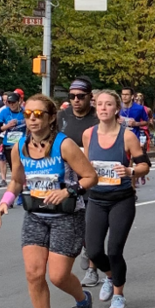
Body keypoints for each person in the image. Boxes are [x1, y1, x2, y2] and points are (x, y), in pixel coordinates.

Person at [0, 94, 98, 308]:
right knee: (33, 273)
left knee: (58, 276)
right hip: (35, 215)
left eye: (38, 114)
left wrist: (68, 191)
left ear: (51, 118)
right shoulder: (20, 146)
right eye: (28, 114)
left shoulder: (64, 145)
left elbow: (90, 177)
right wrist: (5, 202)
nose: (31, 119)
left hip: (66, 216)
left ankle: (82, 299)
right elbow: (17, 181)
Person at [82, 90, 150, 308]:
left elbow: (144, 165)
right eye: (99, 104)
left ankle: (119, 295)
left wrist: (130, 170)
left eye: (108, 104)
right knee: (93, 250)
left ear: (116, 109)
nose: (103, 108)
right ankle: (110, 276)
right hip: (97, 199)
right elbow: (83, 165)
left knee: (114, 250)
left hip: (122, 199)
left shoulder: (127, 136)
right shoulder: (88, 135)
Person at [56, 76, 100, 289]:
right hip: (66, 179)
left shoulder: (97, 119)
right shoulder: (62, 117)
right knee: (74, 223)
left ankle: (92, 269)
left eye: (80, 96)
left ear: (90, 97)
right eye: (72, 96)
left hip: (92, 179)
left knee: (91, 224)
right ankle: (85, 247)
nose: (75, 100)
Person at [0, 92, 26, 187]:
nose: (11, 104)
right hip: (8, 144)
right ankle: (19, 191)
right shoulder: (4, 112)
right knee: (14, 169)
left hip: (22, 144)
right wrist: (8, 126)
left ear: (19, 101)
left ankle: (23, 190)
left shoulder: (25, 112)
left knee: (22, 168)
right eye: (9, 102)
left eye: (13, 102)